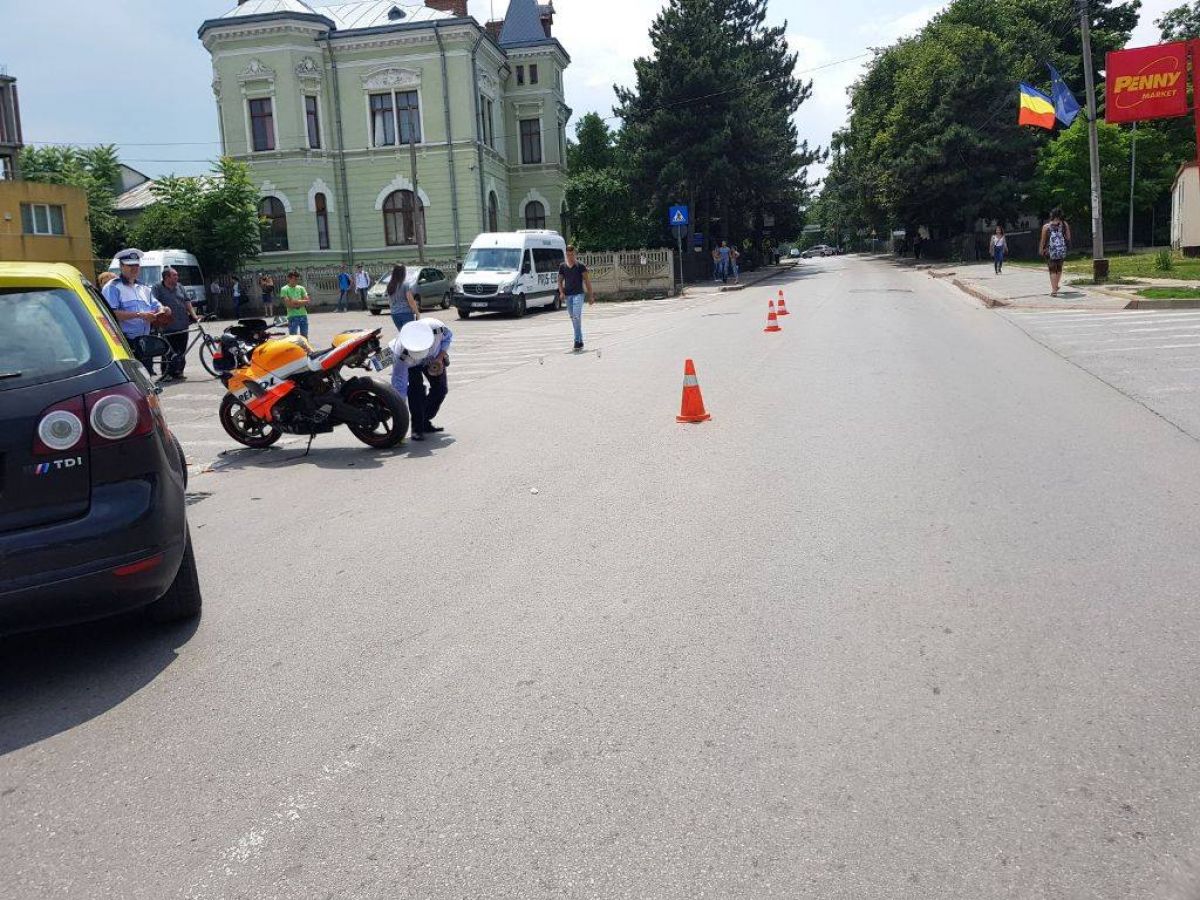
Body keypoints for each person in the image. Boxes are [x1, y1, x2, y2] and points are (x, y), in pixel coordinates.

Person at [102, 248, 170, 370]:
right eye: (130, 265)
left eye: (136, 265)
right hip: (125, 343)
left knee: (147, 375)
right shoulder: (113, 287)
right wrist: (140, 315)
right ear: (121, 266)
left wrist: (163, 309)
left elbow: (156, 305)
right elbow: (111, 314)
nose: (134, 268)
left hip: (145, 341)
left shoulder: (144, 287)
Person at [390, 319, 453, 442]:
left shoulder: (437, 329)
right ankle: (417, 428)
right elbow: (400, 385)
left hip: (433, 358)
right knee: (416, 392)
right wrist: (399, 413)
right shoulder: (401, 355)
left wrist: (440, 358)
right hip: (410, 364)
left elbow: (448, 338)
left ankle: (424, 420)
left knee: (441, 389)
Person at [152, 267, 197, 381]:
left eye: (177, 275)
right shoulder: (157, 288)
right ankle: (166, 373)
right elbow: (153, 303)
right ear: (166, 277)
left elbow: (187, 301)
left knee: (181, 349)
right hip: (167, 325)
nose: (177, 277)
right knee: (168, 351)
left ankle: (179, 371)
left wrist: (194, 315)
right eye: (174, 275)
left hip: (182, 323)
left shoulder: (180, 286)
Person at [557, 244, 594, 351]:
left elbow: (587, 281)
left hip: (578, 294)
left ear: (575, 254)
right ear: (566, 254)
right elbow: (559, 281)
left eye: (572, 254)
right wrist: (561, 292)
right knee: (573, 318)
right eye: (568, 255)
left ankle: (577, 340)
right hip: (568, 296)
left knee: (576, 317)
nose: (570, 257)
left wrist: (591, 296)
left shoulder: (580, 266)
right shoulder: (562, 266)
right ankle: (580, 341)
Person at [1040, 207, 1071, 297]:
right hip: (1061, 250)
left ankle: (1054, 290)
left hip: (1050, 251)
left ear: (1052, 215)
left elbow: (1043, 240)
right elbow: (1068, 237)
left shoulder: (1046, 226)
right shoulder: (1064, 224)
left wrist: (1041, 249)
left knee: (1052, 270)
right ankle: (1056, 286)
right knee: (1059, 268)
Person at [387, 264, 420, 332]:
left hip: (394, 314)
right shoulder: (405, 284)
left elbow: (389, 301)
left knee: (402, 334)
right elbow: (411, 301)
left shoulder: (390, 285)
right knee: (409, 334)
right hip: (406, 313)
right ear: (403, 273)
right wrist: (417, 312)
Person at [279, 270, 311, 338]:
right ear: (289, 278)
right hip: (292, 316)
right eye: (294, 279)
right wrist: (302, 302)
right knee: (293, 337)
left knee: (305, 336)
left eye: (297, 279)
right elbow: (288, 305)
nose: (296, 281)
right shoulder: (284, 289)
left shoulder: (301, 288)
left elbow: (307, 301)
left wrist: (294, 301)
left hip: (303, 315)